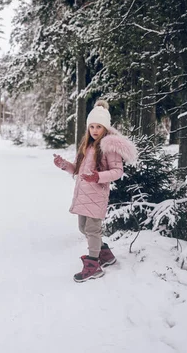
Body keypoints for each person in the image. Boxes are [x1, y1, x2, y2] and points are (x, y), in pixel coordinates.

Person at [53, 100, 136, 282]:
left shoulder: (108, 147)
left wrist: (98, 177)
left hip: (97, 194)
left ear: (105, 128)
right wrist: (64, 165)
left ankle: (93, 265)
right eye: (92, 126)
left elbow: (117, 171)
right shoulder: (87, 146)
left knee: (92, 228)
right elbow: (77, 170)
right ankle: (105, 255)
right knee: (83, 228)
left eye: (99, 126)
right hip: (83, 194)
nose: (95, 130)